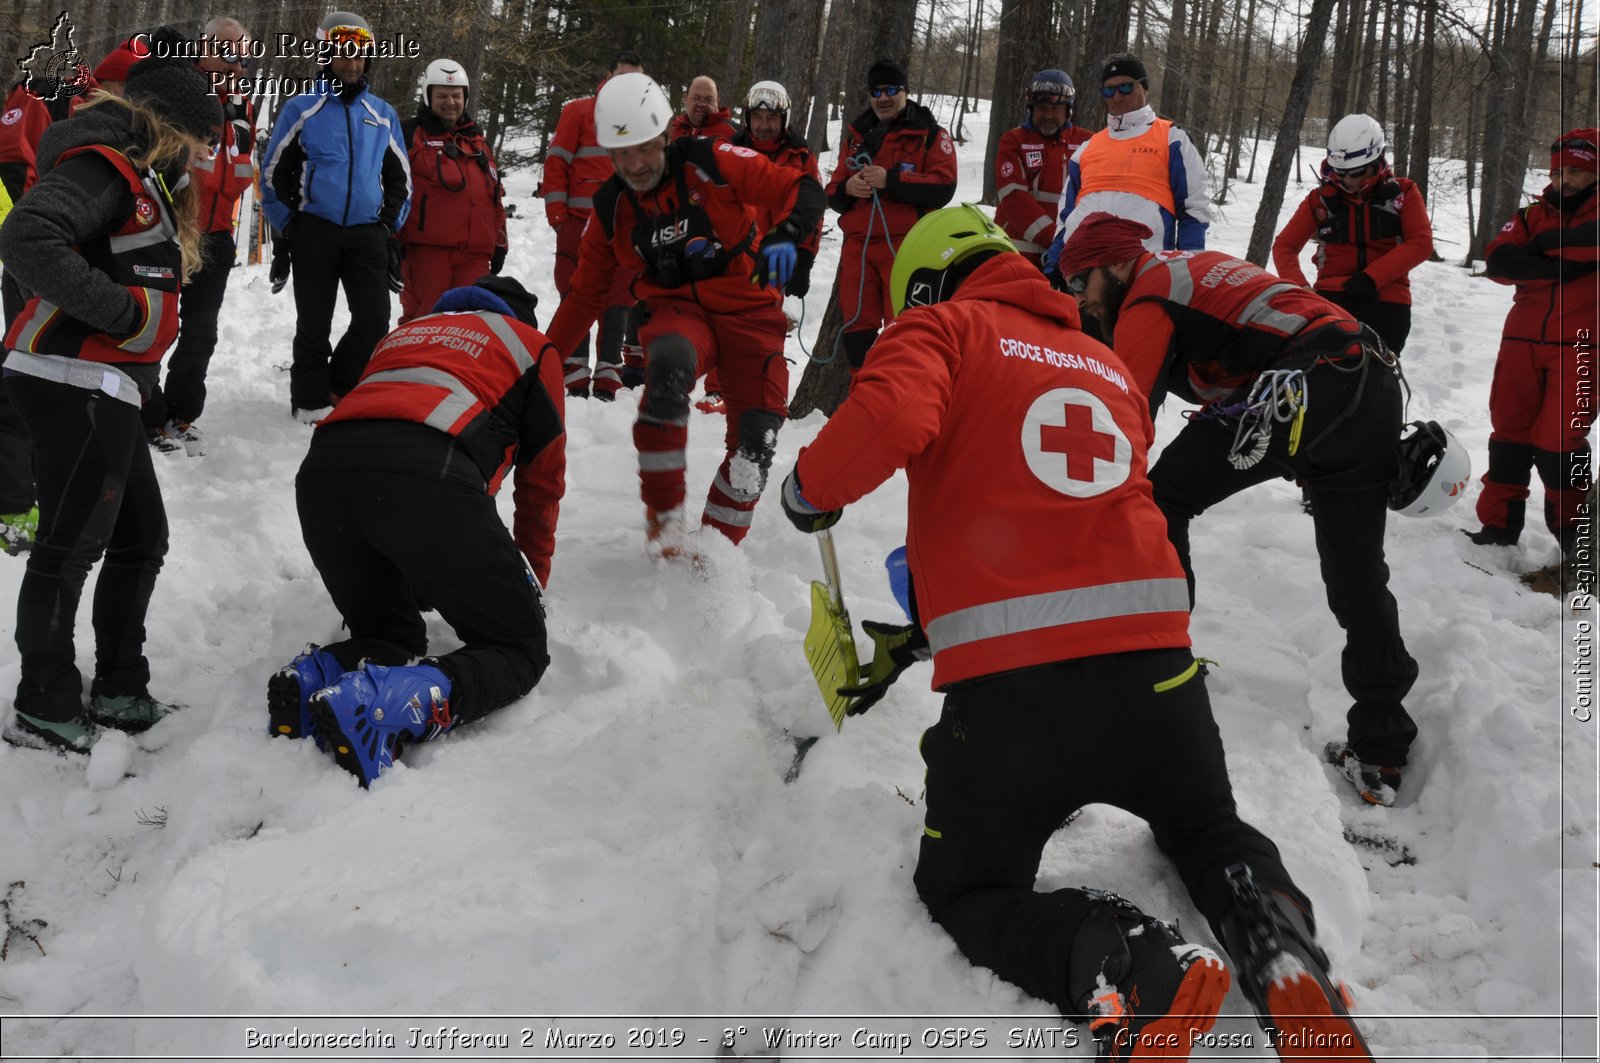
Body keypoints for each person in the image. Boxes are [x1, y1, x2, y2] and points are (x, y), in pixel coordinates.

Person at [777, 204, 1374, 1059]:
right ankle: (1283, 950)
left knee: (966, 888)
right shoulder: (1101, 361)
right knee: (1208, 829)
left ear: (930, 283)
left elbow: (894, 417)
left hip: (1017, 701)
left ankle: (1133, 965)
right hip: (1159, 677)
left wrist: (811, 488)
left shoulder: (942, 328)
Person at [1055, 212, 1419, 809]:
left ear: (1116, 264)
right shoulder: (1186, 270)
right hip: (1366, 377)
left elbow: (1126, 418)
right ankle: (1382, 747)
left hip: (1303, 386)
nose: (1081, 299)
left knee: (1161, 497)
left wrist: (1078, 502)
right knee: (1358, 576)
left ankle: (1163, 659)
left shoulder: (1149, 291)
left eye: (1080, 283)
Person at [0, 58, 222, 751]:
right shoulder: (106, 167)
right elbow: (26, 236)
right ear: (171, 126)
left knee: (139, 536)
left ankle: (121, 685)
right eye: (202, 141)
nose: (207, 157)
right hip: (72, 377)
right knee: (70, 547)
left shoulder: (146, 177)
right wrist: (124, 315)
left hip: (108, 384)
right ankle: (43, 701)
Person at [268, 276, 563, 788]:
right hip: (429, 475)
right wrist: (525, 586)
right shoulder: (531, 347)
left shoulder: (405, 334)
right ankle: (387, 709)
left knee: (387, 635)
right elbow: (542, 483)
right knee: (517, 647)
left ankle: (312, 679)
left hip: (323, 480)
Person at [544, 72, 825, 552]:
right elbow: (584, 297)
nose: (635, 164)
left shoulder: (707, 160)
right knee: (668, 370)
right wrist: (541, 361)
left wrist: (789, 232)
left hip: (749, 309)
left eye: (645, 149)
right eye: (621, 154)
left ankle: (717, 546)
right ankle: (665, 526)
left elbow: (802, 189)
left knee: (756, 445)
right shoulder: (613, 207)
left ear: (664, 137)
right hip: (678, 310)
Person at [260, 10, 411, 422]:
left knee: (374, 320)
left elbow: (401, 179)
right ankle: (309, 400)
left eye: (360, 55)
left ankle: (340, 386)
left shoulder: (382, 113)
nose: (352, 63)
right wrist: (290, 224)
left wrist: (387, 225)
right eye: (343, 53)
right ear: (325, 54)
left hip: (366, 234)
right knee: (314, 321)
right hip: (316, 231)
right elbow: (274, 172)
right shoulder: (302, 108)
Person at [1467, 129, 1600, 594]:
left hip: (1582, 346)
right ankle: (1498, 528)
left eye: (1577, 170)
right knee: (1509, 435)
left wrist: (1541, 252)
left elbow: (1590, 239)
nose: (1565, 180)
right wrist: (1561, 267)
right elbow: (1499, 260)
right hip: (1520, 340)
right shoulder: (1530, 213)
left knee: (1559, 441)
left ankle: (1575, 536)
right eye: (1560, 171)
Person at [142, 17, 259, 457]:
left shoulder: (242, 106)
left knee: (200, 333)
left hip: (216, 236)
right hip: (169, 232)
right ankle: (146, 414)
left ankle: (182, 412)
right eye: (228, 53)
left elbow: (241, 168)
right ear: (204, 48)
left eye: (244, 56)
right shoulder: (180, 91)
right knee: (156, 326)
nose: (238, 65)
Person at [693, 79, 822, 416]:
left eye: (772, 119)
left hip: (776, 255)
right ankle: (717, 388)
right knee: (723, 319)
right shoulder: (729, 149)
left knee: (766, 324)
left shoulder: (800, 155)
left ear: (784, 120)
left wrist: (805, 258)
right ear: (748, 118)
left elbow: (812, 210)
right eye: (758, 118)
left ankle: (763, 389)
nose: (764, 126)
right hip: (732, 253)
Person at [824, 59, 957, 371]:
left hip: (907, 247)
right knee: (858, 331)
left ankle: (905, 401)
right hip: (858, 249)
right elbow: (831, 193)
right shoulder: (857, 136)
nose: (883, 98)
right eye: (877, 91)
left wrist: (892, 180)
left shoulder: (930, 134)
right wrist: (849, 188)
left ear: (905, 92)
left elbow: (944, 186)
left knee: (907, 329)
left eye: (891, 90)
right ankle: (864, 397)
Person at [1272, 114, 1433, 357]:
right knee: (1324, 372)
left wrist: (1371, 278)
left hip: (1389, 297)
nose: (1346, 180)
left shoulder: (1404, 193)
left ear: (1376, 162)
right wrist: (1302, 290)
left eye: (1355, 172)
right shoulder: (1320, 200)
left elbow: (1421, 243)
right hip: (1331, 297)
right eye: (1339, 172)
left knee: (1377, 374)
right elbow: (1284, 246)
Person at [1042, 54, 1210, 279]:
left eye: (1125, 87)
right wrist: (1054, 265)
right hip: (1082, 270)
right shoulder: (1087, 147)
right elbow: (1066, 216)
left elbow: (1193, 210)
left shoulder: (1172, 138)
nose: (1117, 96)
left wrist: (1187, 270)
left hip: (1142, 270)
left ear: (1144, 88)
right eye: (1109, 90)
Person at [540, 51, 644, 401]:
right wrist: (558, 214)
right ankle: (573, 371)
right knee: (576, 295)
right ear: (607, 75)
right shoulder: (579, 111)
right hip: (578, 225)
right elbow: (557, 162)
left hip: (625, 231)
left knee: (619, 300)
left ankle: (608, 374)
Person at [397, 58, 508, 325]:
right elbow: (391, 187)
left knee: (469, 324)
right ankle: (415, 366)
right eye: (442, 96)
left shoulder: (477, 141)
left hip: (475, 256)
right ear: (428, 96)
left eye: (456, 96)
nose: (450, 102)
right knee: (424, 322)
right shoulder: (410, 134)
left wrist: (501, 240)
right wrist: (390, 239)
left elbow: (494, 195)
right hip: (427, 254)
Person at [993, 69, 1092, 269]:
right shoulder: (1013, 141)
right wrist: (1055, 239)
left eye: (1055, 110)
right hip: (1017, 255)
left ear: (1068, 110)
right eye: (1041, 108)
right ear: (1031, 108)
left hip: (1069, 255)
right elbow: (1014, 198)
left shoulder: (1087, 142)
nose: (1048, 115)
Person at [668, 75, 738, 142]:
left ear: (717, 102)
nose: (702, 104)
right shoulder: (674, 127)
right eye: (696, 98)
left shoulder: (734, 133)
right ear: (686, 99)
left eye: (709, 100)